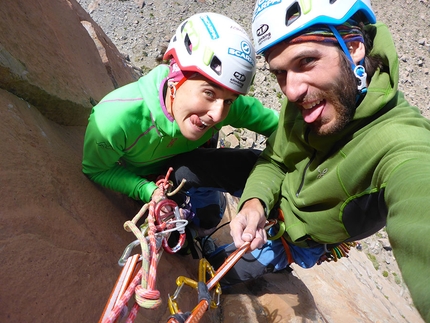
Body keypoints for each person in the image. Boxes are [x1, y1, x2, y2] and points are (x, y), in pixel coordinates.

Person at [207, 0, 430, 321]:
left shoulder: (403, 143)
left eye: (306, 61)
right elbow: (275, 160)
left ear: (353, 47)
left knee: (223, 272)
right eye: (280, 73)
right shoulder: (309, 98)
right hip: (275, 207)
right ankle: (206, 210)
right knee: (191, 165)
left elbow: (418, 191)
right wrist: (255, 202)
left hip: (296, 241)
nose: (292, 90)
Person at [81, 12, 279, 248]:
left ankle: (210, 219)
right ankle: (201, 222)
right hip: (157, 176)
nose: (217, 113)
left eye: (229, 100)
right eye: (209, 93)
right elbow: (96, 169)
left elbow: (279, 126)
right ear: (176, 76)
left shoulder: (222, 108)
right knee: (186, 179)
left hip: (189, 156)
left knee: (252, 165)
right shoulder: (115, 119)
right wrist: (146, 190)